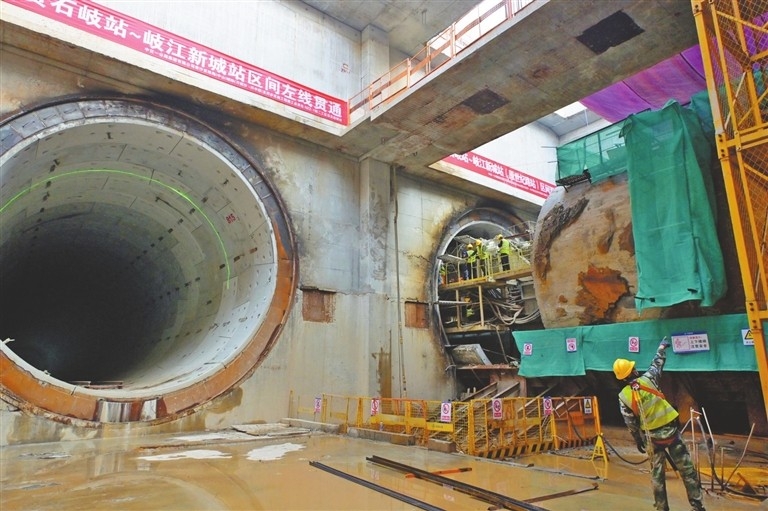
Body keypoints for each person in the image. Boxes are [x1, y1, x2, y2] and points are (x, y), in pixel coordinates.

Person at [613, 339, 706, 511]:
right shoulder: (648, 379)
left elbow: (631, 423)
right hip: (671, 434)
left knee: (657, 476)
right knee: (687, 470)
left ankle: (662, 508)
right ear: (632, 371)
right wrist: (661, 347)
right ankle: (697, 505)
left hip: (652, 438)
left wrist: (638, 440)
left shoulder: (623, 397)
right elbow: (657, 363)